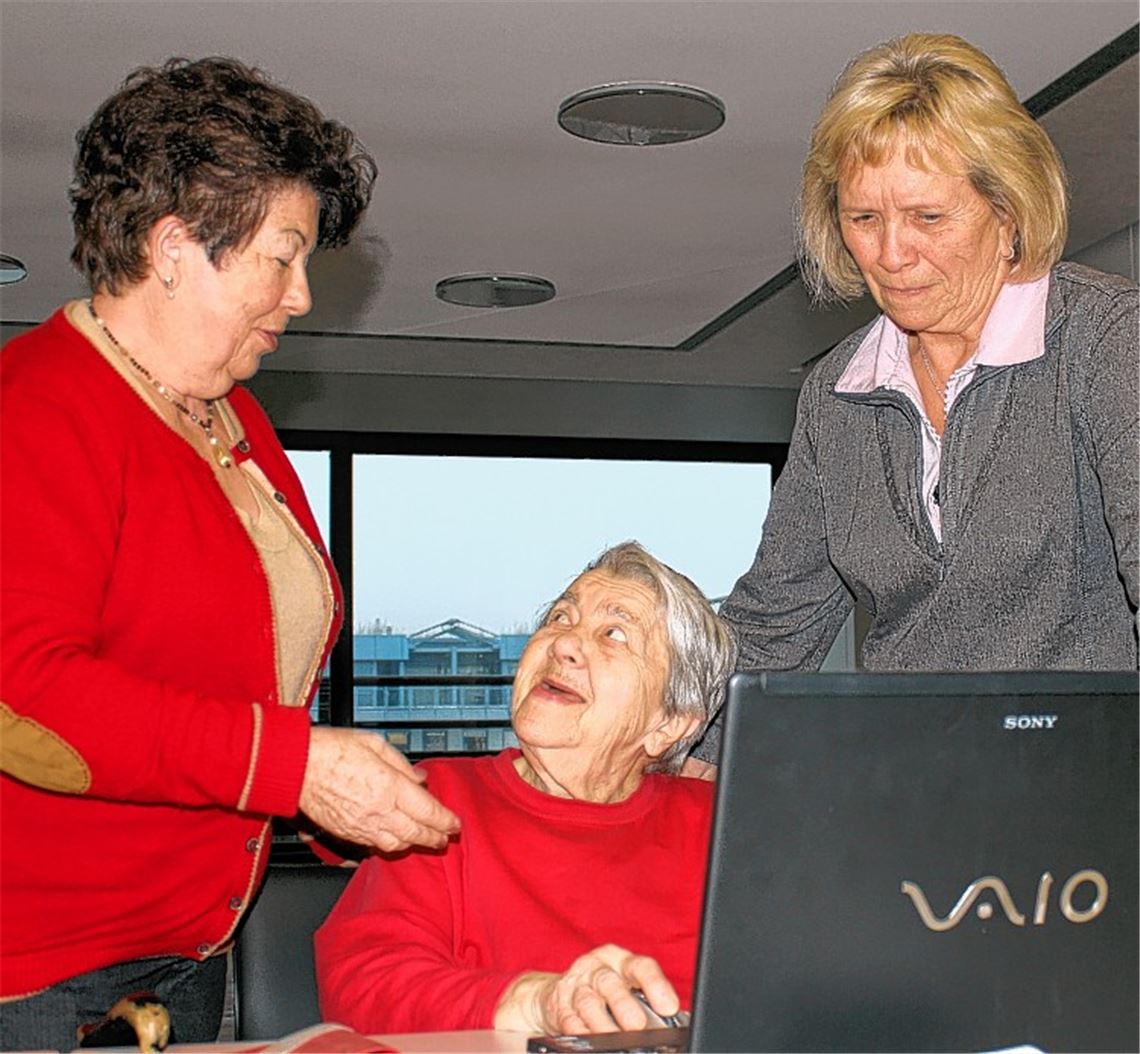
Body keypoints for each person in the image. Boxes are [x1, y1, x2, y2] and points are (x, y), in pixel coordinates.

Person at [0, 57, 459, 1050]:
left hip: (192, 955)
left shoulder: (234, 415)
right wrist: (293, 767)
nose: (299, 295)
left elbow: (248, 684)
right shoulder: (35, 409)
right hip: (38, 976)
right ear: (172, 248)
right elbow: (23, 698)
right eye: (281, 257)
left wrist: (353, 797)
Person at [692, 32, 1138, 768]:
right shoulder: (836, 398)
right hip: (913, 791)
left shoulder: (1107, 344)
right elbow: (775, 625)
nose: (891, 254)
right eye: (864, 219)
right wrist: (668, 756)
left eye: (929, 218)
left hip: (1091, 795)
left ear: (1009, 213)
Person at [315, 542, 736, 1036]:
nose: (564, 644)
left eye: (614, 633)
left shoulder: (723, 821)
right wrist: (531, 1003)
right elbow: (364, 985)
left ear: (669, 724)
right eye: (560, 617)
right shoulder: (441, 801)